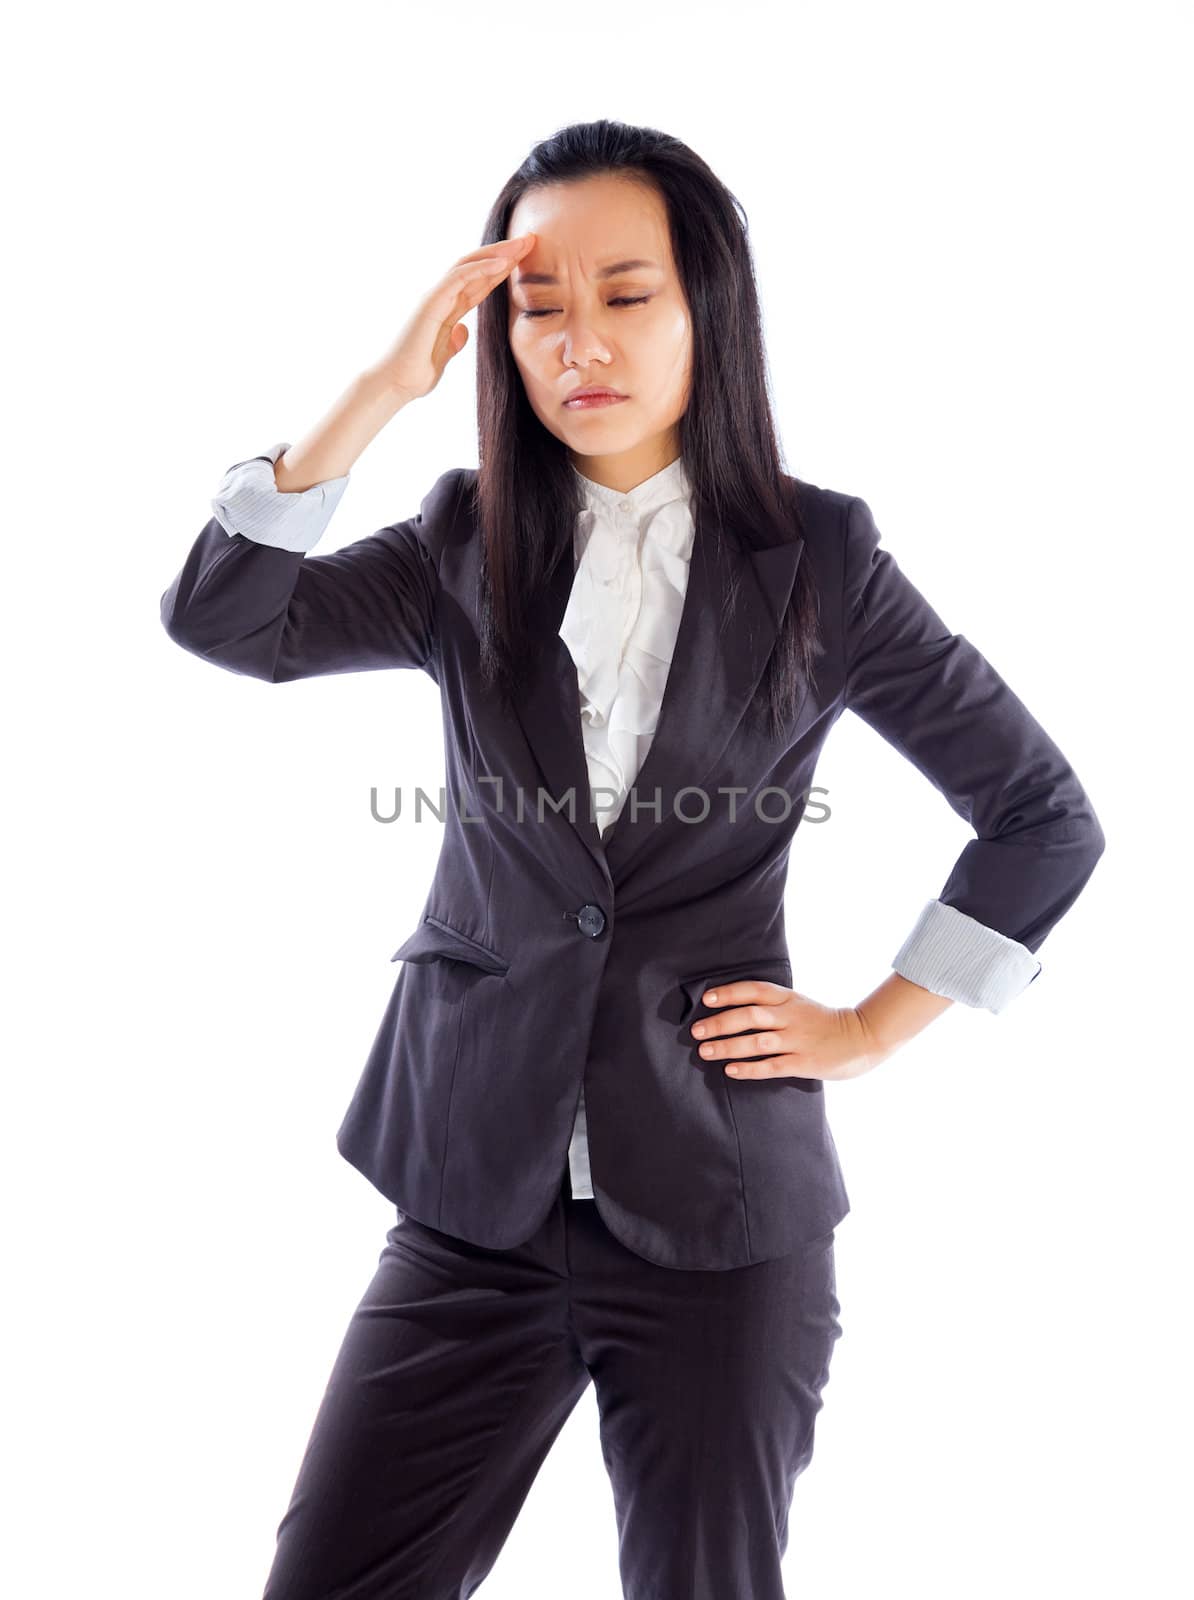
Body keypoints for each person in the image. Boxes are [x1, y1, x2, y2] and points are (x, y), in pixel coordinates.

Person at [160, 119, 1105, 1600]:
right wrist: (376, 393)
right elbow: (229, 622)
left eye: (627, 293)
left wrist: (868, 1026)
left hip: (723, 1219)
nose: (578, 343)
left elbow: (1043, 815)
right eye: (538, 308)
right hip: (472, 1200)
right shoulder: (459, 539)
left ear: (704, 310)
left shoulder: (823, 560)